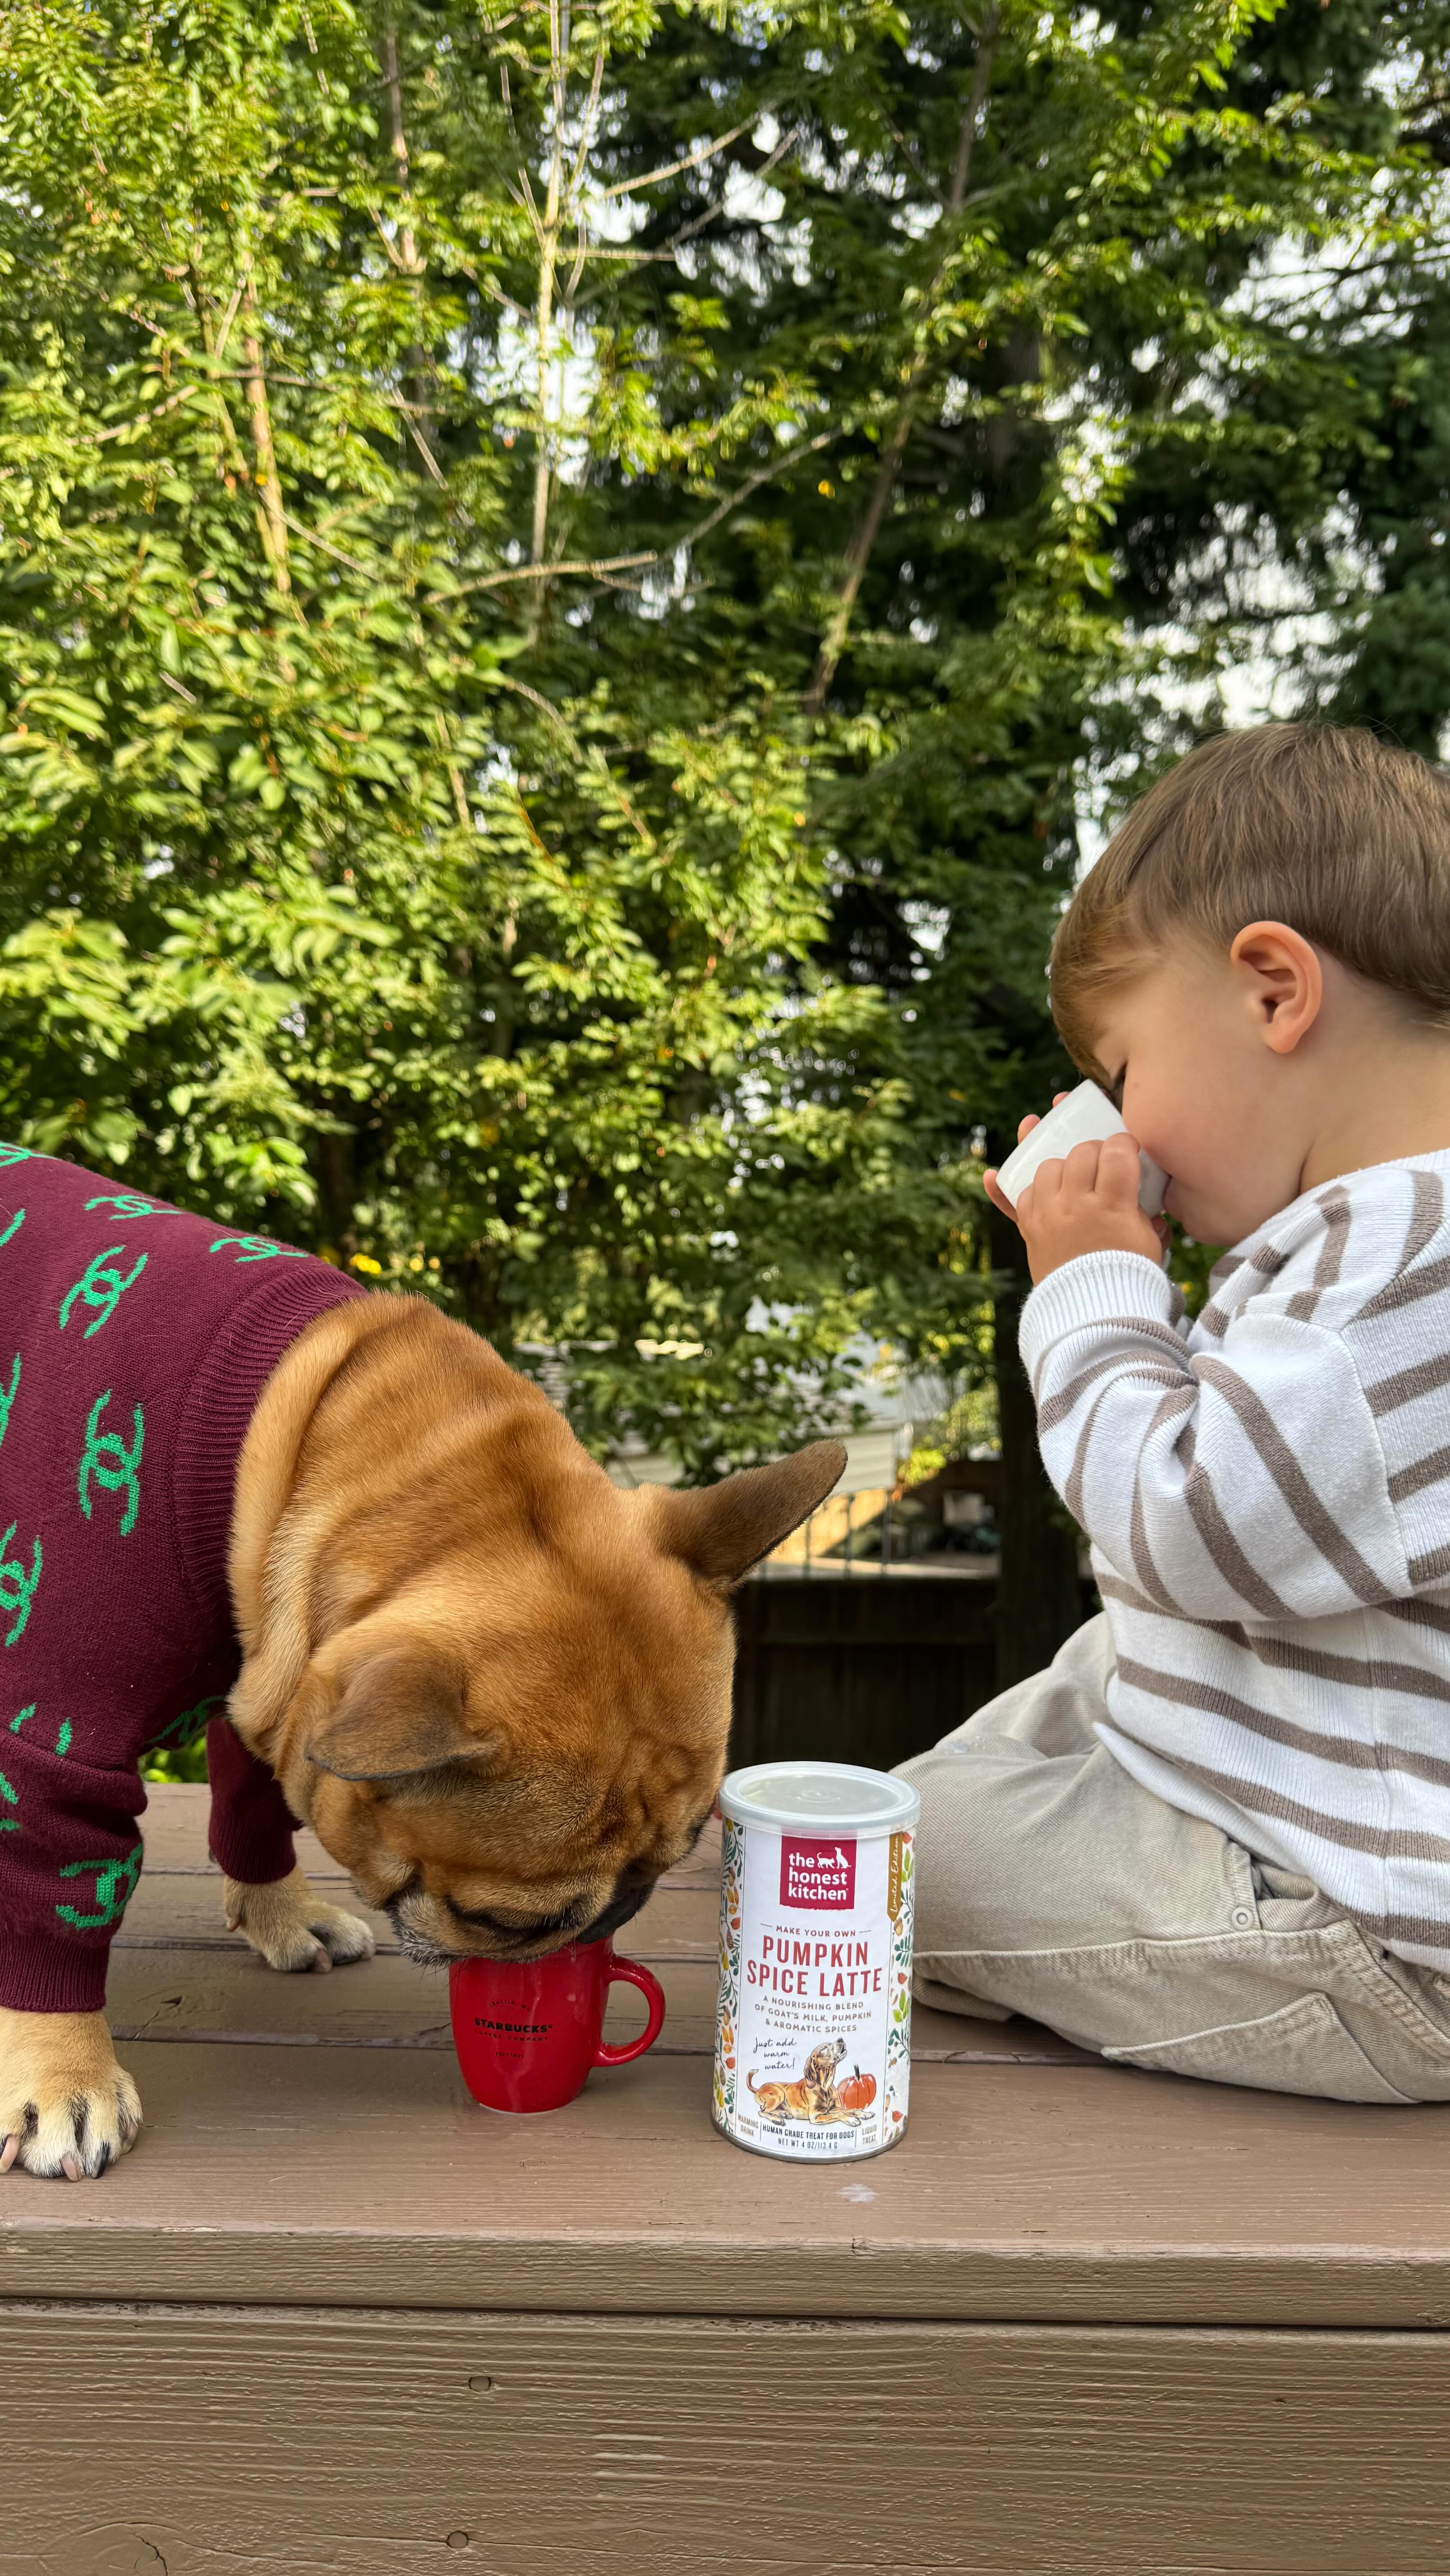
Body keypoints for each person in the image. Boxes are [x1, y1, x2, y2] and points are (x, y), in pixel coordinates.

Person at [898, 722, 1450, 2101]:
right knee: (1083, 1684)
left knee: (893, 1853)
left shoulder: (1409, 1257)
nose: (1125, 1134)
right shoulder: (1370, 1243)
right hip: (1323, 1806)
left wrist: (1092, 1290)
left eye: (1127, 1072)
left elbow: (1182, 1528)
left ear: (1275, 991)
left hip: (1373, 1939)